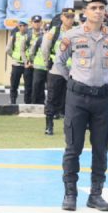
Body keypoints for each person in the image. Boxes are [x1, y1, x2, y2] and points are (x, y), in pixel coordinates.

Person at [52, 0, 108, 213]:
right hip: (78, 98)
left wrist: (103, 80)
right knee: (73, 147)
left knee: (101, 149)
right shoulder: (72, 35)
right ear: (85, 11)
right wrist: (76, 80)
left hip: (103, 98)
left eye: (102, 8)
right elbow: (60, 62)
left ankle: (96, 195)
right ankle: (70, 193)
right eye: (94, 8)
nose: (98, 11)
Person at [42, 8, 76, 136]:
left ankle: (70, 126)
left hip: (72, 71)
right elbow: (45, 47)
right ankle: (49, 125)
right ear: (62, 17)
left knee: (71, 99)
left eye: (72, 16)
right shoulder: (54, 31)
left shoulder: (77, 32)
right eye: (67, 16)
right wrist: (47, 63)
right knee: (52, 98)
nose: (69, 19)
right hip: (56, 70)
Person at [6, 21, 30, 105]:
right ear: (19, 27)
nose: (23, 27)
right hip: (16, 64)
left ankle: (27, 103)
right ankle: (13, 101)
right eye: (21, 26)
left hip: (27, 64)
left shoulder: (29, 36)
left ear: (27, 26)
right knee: (14, 84)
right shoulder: (15, 36)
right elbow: (8, 49)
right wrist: (13, 56)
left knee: (28, 85)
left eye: (25, 25)